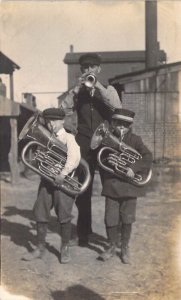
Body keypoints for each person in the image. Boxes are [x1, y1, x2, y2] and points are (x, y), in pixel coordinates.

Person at [61, 53, 122, 246]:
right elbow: (63, 109)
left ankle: (113, 236)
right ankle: (84, 232)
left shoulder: (109, 89)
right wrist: (76, 91)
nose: (88, 71)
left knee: (110, 187)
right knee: (83, 188)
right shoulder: (77, 92)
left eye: (92, 67)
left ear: (99, 69)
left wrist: (99, 88)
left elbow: (117, 107)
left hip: (105, 143)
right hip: (84, 142)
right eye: (85, 68)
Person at [23, 108, 81, 264]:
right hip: (47, 182)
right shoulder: (45, 138)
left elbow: (74, 158)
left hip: (63, 181)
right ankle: (40, 248)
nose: (51, 124)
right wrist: (39, 161)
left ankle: (64, 249)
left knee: (64, 216)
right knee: (40, 212)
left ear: (62, 121)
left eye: (54, 121)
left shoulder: (69, 137)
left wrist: (62, 173)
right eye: (48, 121)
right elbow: (40, 160)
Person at [98, 108, 153, 264]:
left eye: (125, 125)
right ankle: (110, 246)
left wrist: (133, 168)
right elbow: (99, 160)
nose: (122, 128)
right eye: (119, 124)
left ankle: (124, 248)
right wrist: (108, 160)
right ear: (113, 124)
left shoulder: (136, 140)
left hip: (129, 186)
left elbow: (148, 157)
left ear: (130, 126)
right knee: (110, 218)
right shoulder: (106, 139)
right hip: (111, 185)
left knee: (127, 218)